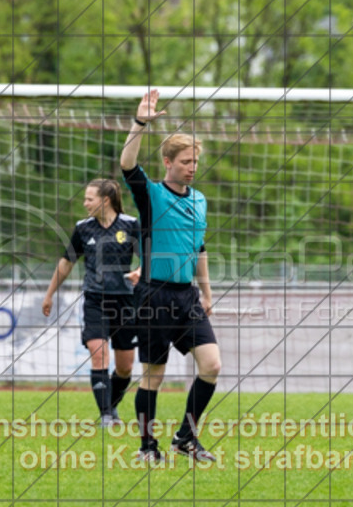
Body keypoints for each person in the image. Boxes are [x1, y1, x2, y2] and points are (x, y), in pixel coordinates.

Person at [120, 89, 221, 463]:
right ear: (168, 162)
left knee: (211, 365)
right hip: (153, 296)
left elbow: (199, 248)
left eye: (195, 161)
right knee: (154, 376)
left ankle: (186, 439)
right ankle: (148, 448)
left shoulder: (199, 199)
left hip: (187, 297)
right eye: (185, 161)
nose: (192, 167)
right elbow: (127, 163)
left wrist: (207, 293)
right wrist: (140, 122)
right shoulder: (151, 195)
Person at [42, 179, 141, 427]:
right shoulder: (83, 229)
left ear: (105, 200)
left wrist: (140, 270)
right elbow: (66, 263)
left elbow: (149, 257)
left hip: (125, 302)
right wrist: (49, 293)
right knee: (99, 355)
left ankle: (111, 406)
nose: (85, 203)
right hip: (95, 300)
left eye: (89, 199)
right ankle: (106, 416)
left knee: (125, 367)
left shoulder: (130, 225)